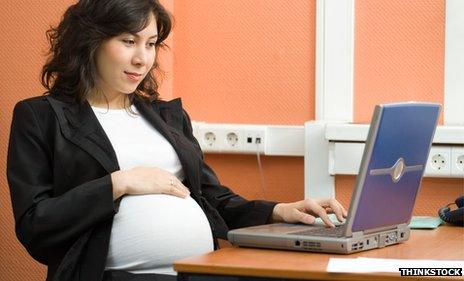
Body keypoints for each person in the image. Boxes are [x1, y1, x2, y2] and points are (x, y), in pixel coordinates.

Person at [6, 0, 347, 280]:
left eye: (150, 44)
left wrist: (279, 211)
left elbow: (213, 199)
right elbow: (36, 224)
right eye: (128, 41)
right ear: (90, 41)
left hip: (202, 271)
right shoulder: (41, 117)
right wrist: (119, 183)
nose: (142, 58)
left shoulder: (167, 116)